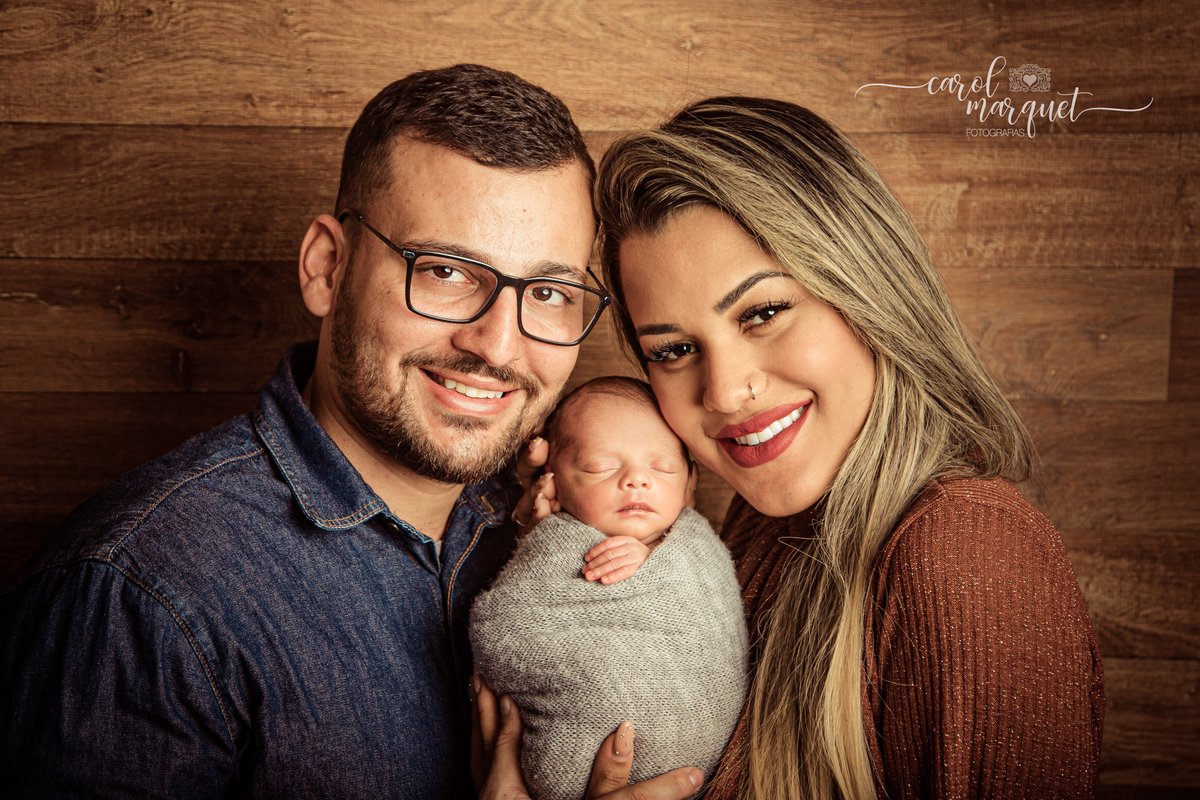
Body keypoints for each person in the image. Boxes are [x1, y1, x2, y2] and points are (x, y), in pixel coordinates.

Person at [0, 63, 627, 798]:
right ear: (327, 267)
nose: (496, 346)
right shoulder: (138, 599)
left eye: (548, 292)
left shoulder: (557, 523)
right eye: (447, 273)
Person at [480, 97, 1105, 799]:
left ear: (868, 288)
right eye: (676, 349)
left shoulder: (968, 555)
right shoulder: (762, 519)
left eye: (764, 313)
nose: (724, 391)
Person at [469, 377, 748, 800]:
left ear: (690, 486)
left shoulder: (694, 550)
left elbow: (710, 626)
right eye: (601, 466)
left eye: (662, 467)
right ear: (554, 485)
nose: (637, 479)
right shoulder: (555, 545)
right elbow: (505, 625)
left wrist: (650, 559)